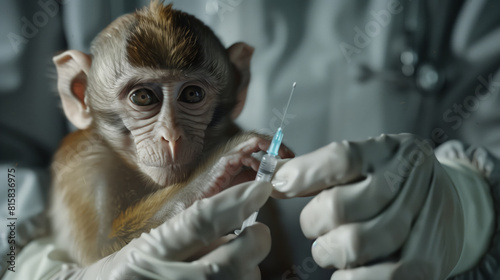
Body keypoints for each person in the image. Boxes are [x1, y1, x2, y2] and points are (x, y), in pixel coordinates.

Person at [1, 0, 500, 279]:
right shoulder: (78, 163)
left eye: (192, 94)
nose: (171, 138)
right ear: (79, 93)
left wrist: (474, 205)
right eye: (144, 100)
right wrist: (27, 262)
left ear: (237, 86)